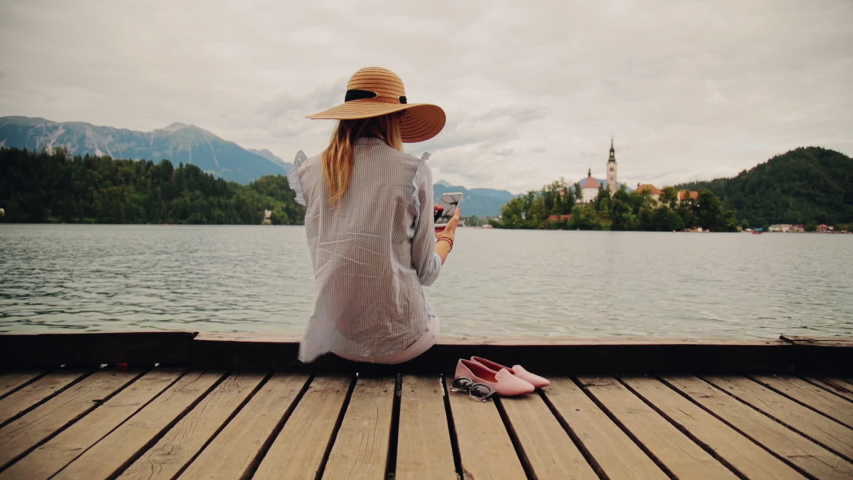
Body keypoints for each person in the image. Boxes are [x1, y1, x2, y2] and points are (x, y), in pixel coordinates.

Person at [288, 66, 459, 364]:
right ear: (397, 117)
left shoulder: (309, 171)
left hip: (336, 340)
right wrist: (447, 239)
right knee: (428, 312)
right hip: (400, 345)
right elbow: (427, 273)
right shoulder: (412, 170)